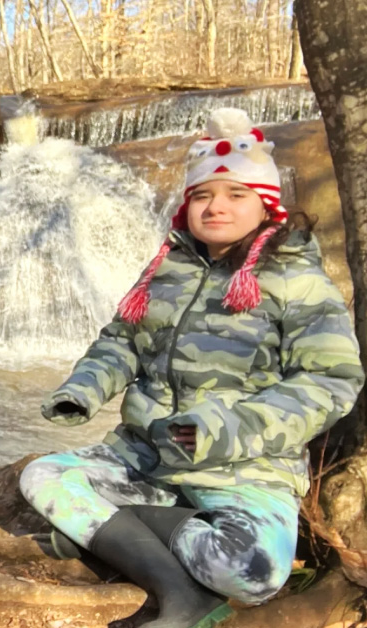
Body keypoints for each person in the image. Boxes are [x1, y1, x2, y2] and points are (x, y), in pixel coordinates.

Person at [19, 108, 364, 628]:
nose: (215, 207)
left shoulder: (297, 279)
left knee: (253, 572)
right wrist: (84, 389)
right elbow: (122, 341)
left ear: (266, 205)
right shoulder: (167, 267)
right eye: (202, 195)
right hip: (146, 460)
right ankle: (179, 590)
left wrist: (217, 428)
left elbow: (330, 381)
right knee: (42, 474)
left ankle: (120, 537)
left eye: (235, 195)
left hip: (243, 469)